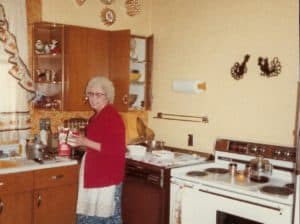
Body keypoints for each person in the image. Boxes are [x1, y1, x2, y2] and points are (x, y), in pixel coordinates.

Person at [70, 76, 126, 224]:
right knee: (94, 218)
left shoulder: (112, 117)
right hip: (95, 174)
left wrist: (84, 141)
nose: (93, 98)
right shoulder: (96, 117)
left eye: (98, 94)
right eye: (90, 94)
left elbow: (115, 149)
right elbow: (96, 145)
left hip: (106, 177)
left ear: (108, 96)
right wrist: (79, 142)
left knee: (104, 218)